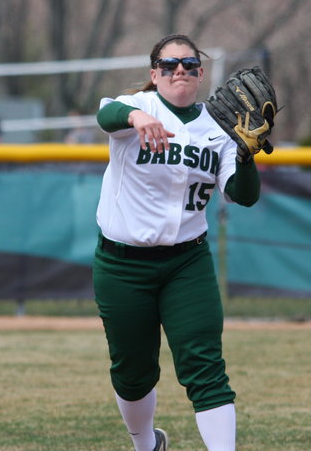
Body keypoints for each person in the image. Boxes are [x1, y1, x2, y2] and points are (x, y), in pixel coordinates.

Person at [93, 34, 261, 451]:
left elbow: (244, 195)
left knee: (206, 368)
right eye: (169, 65)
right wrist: (134, 119)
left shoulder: (219, 129)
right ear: (155, 75)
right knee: (132, 373)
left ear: (201, 74)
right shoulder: (139, 108)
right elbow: (106, 114)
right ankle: (146, 444)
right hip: (122, 264)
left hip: (188, 263)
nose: (179, 71)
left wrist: (246, 153)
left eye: (188, 64)